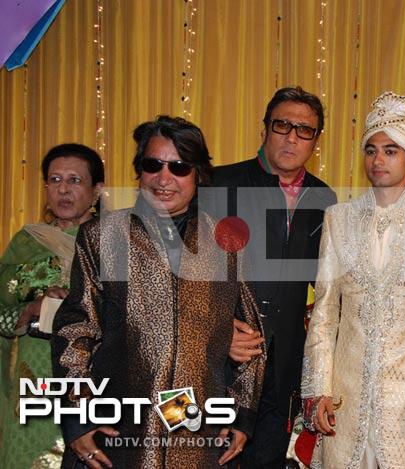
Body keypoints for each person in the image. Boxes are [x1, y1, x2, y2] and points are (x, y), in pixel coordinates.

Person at [51, 115, 265, 468]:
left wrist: (242, 414)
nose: (164, 178)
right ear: (139, 171)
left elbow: (252, 334)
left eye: (179, 167)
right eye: (154, 164)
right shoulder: (103, 236)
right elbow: (76, 330)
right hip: (118, 431)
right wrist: (78, 419)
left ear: (198, 174)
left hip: (195, 433)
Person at [301, 91, 405, 468]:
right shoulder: (337, 219)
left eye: (391, 150)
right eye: (371, 150)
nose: (378, 160)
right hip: (347, 395)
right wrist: (317, 389)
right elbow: (325, 313)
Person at [212, 86, 336, 467]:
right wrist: (218, 330)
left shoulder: (324, 199)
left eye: (305, 130)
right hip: (220, 363)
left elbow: (330, 284)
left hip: (283, 367)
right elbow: (183, 281)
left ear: (316, 140)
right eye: (282, 125)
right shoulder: (217, 185)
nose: (292, 137)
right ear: (265, 128)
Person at [0, 143, 104, 468]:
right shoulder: (25, 242)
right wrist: (31, 309)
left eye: (75, 180)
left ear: (96, 190)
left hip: (89, 378)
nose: (63, 189)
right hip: (30, 382)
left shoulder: (115, 243)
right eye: (54, 179)